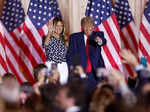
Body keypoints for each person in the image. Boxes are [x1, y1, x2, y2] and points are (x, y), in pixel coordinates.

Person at [66, 16, 106, 87]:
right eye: (85, 26)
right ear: (82, 27)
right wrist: (73, 68)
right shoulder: (74, 37)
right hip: (80, 72)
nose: (88, 29)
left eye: (90, 26)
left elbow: (103, 41)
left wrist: (99, 41)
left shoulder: (98, 35)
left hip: (95, 72)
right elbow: (70, 55)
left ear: (93, 26)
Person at [43, 17, 68, 85]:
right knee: (51, 85)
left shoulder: (64, 38)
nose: (59, 27)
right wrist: (49, 33)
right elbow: (45, 45)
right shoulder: (48, 37)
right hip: (52, 64)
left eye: (61, 26)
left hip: (63, 64)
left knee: (63, 85)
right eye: (57, 25)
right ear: (53, 26)